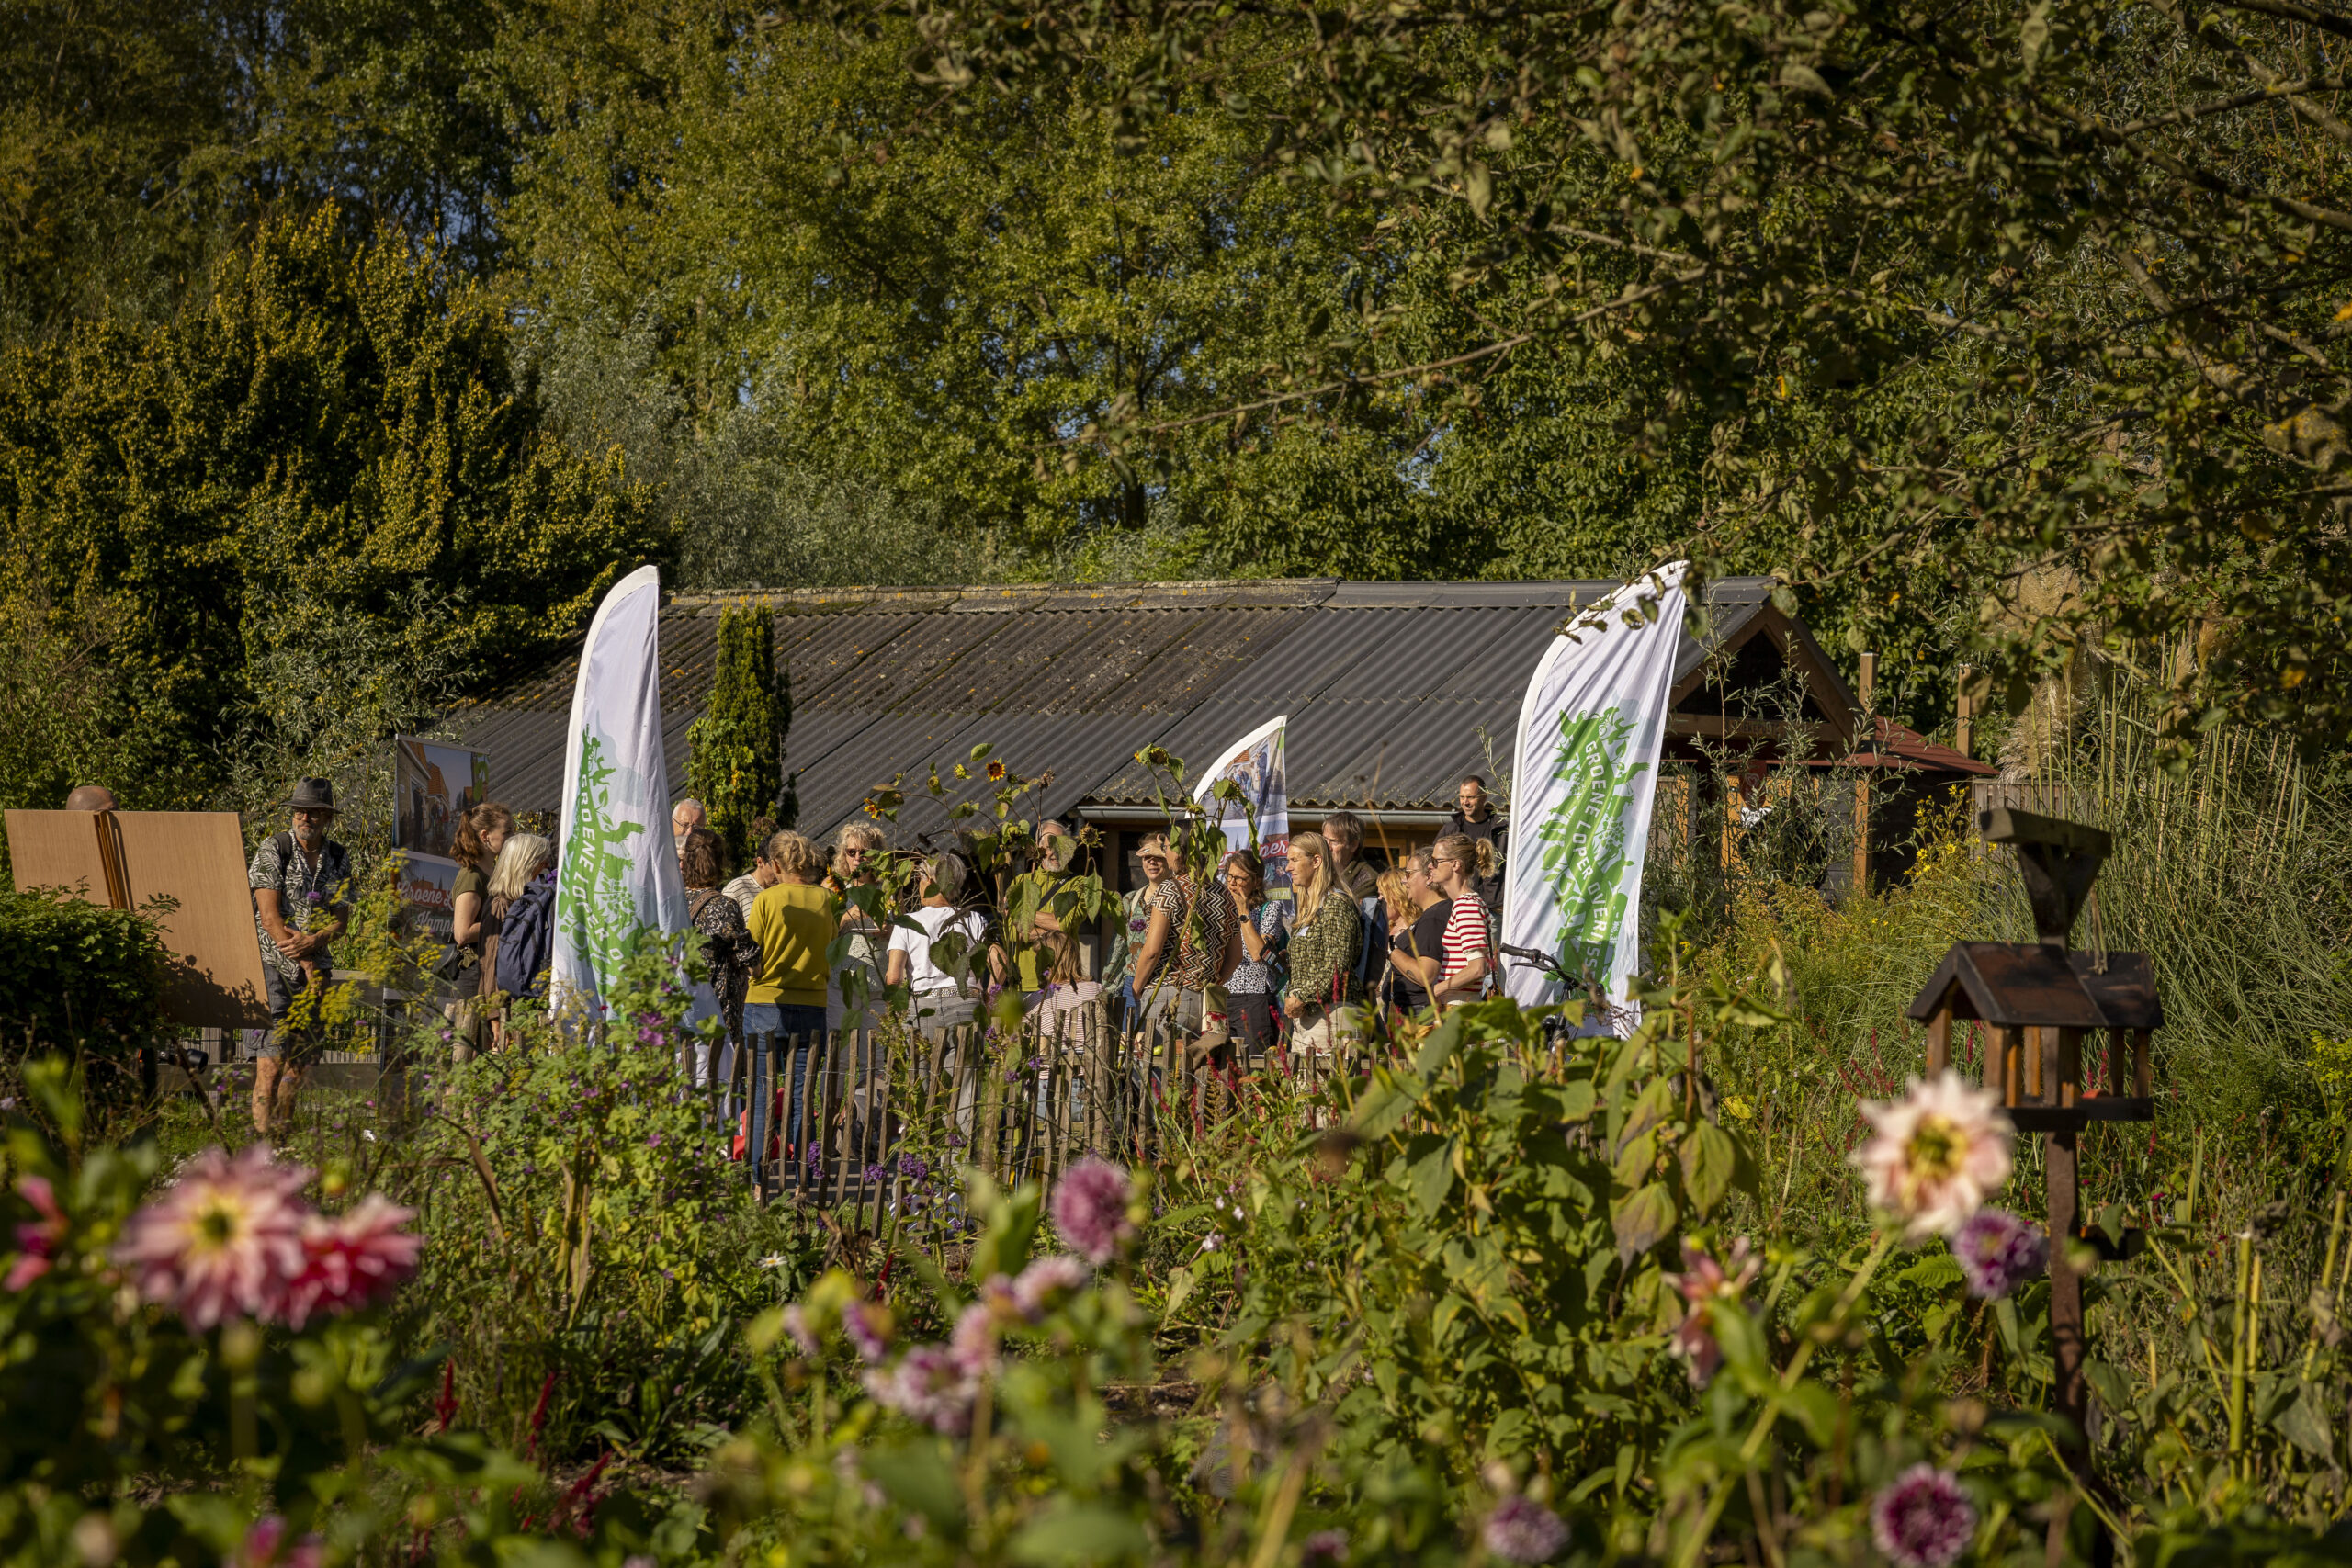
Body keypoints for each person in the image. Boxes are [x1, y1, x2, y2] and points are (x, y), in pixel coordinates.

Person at [245, 778, 354, 1135]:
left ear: (327, 817)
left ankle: (283, 1139)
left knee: (300, 1066)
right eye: (299, 811)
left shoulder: (339, 856)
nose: (304, 817)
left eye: (312, 812)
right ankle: (263, 1147)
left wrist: (316, 942)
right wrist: (301, 953)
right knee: (270, 1064)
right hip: (270, 966)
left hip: (315, 970)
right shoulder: (274, 848)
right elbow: (269, 915)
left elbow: (342, 918)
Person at [745, 829, 833, 1189]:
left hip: (767, 1001)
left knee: (762, 1092)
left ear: (777, 864)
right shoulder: (826, 900)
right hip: (812, 1003)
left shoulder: (767, 899)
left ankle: (758, 1178)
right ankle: (803, 1177)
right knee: (803, 1094)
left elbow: (752, 955)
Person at [1130, 825, 1234, 1042]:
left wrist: (1137, 987)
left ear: (1181, 850)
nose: (1165, 853)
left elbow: (1152, 951)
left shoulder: (1169, 889)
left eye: (1167, 847)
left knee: (1162, 1068)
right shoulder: (1224, 893)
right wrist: (1211, 981)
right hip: (1209, 1001)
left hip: (1169, 995)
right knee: (1200, 1071)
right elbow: (1235, 955)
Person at [682, 826, 759, 1097]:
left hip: (679, 1008)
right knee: (721, 1087)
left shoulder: (672, 901)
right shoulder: (724, 906)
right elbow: (749, 958)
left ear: (686, 861)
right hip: (718, 1009)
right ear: (720, 861)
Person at [1281, 831, 1363, 1064]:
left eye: (1294, 860)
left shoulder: (1336, 904)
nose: (1288, 868)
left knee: (1327, 1096)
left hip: (1333, 1015)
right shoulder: (1310, 908)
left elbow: (1337, 965)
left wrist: (1302, 996)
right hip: (1309, 1016)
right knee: (1304, 1094)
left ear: (1316, 861)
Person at [445, 801, 514, 1057]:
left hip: (486, 967)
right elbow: (461, 932)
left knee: (486, 1046)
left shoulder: (493, 870)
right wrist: (504, 921)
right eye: (507, 832)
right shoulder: (472, 874)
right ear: (486, 837)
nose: (511, 838)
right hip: (471, 970)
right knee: (471, 1047)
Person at [1102, 832, 1176, 1028]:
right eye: (1146, 858)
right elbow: (1119, 947)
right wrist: (1110, 984)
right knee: (1130, 1047)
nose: (1152, 863)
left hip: (1164, 982)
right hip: (1132, 982)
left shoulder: (1180, 896)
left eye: (1158, 857)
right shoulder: (1131, 899)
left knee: (1159, 1046)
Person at [1222, 850, 1288, 1062]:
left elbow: (1259, 953)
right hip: (1221, 995)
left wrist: (1243, 912)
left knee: (1254, 1065)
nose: (1232, 883)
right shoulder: (1222, 909)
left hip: (1253, 997)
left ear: (1257, 881)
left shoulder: (1270, 909)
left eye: (1240, 878)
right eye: (1229, 876)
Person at [828, 821, 889, 1031]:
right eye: (851, 851)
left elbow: (902, 931)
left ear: (876, 855)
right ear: (843, 855)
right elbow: (827, 935)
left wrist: (889, 928)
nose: (857, 858)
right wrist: (847, 918)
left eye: (863, 852)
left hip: (879, 979)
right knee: (841, 1050)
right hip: (842, 981)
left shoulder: (887, 889)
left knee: (874, 1052)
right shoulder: (836, 889)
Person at [488, 833, 559, 1007]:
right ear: (526, 864)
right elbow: (493, 964)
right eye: (543, 861)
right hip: (507, 1009)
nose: (547, 866)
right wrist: (496, 1015)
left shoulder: (529, 904)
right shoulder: (502, 904)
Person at [1428, 832, 1496, 1010]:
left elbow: (1477, 968)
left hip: (1459, 1007)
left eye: (1435, 861)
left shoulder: (1466, 906)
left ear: (1455, 864)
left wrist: (1436, 990)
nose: (1430, 866)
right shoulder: (1468, 903)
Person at [1379, 851, 1448, 1021]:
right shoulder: (1432, 915)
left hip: (1420, 1017)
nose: (1404, 881)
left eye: (1409, 874)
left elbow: (1426, 974)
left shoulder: (1433, 918)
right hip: (1412, 1014)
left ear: (1429, 876)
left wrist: (1389, 949)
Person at [1445, 776, 1508, 912]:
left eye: (1470, 797)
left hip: (1494, 909)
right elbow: (1434, 863)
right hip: (1459, 906)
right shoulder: (1451, 830)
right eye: (1462, 797)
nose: (1465, 802)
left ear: (1484, 797)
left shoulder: (1502, 829)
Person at [724, 815, 779, 916]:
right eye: (775, 867)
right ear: (760, 862)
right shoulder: (737, 889)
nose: (779, 873)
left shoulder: (784, 890)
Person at [1320, 811, 1380, 901]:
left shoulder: (1367, 879)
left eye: (1334, 841)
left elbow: (1346, 908)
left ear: (1353, 845)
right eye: (1324, 839)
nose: (1327, 846)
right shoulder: (1318, 869)